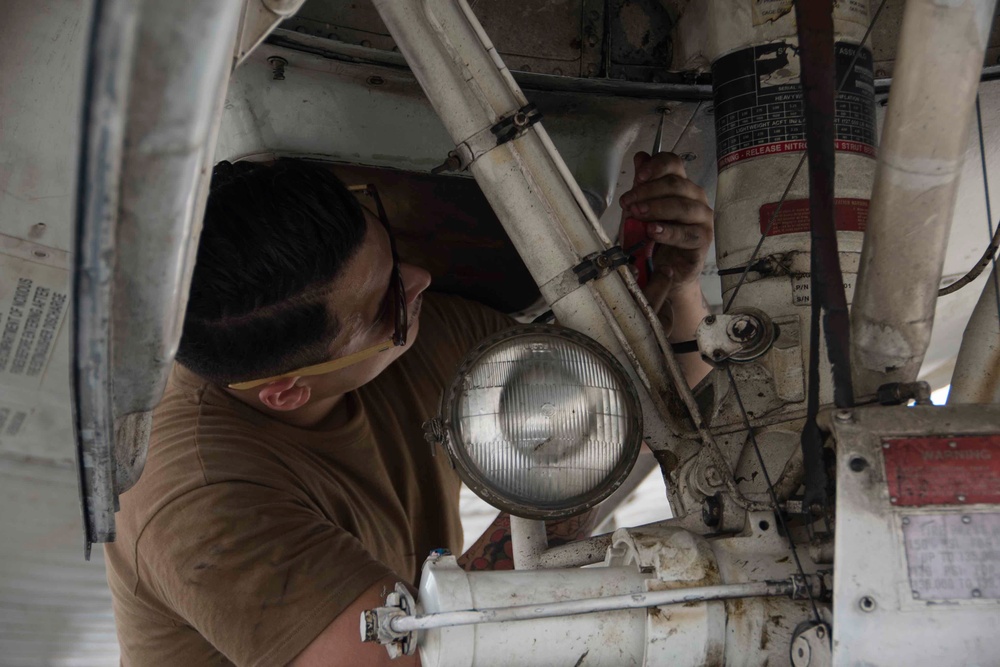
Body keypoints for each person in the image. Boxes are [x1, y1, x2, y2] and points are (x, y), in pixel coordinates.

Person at [103, 151, 714, 666]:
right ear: (288, 391)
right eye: (386, 302)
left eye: (390, 253)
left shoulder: (405, 331)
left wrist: (676, 280)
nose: (419, 279)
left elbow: (634, 404)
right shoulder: (203, 504)